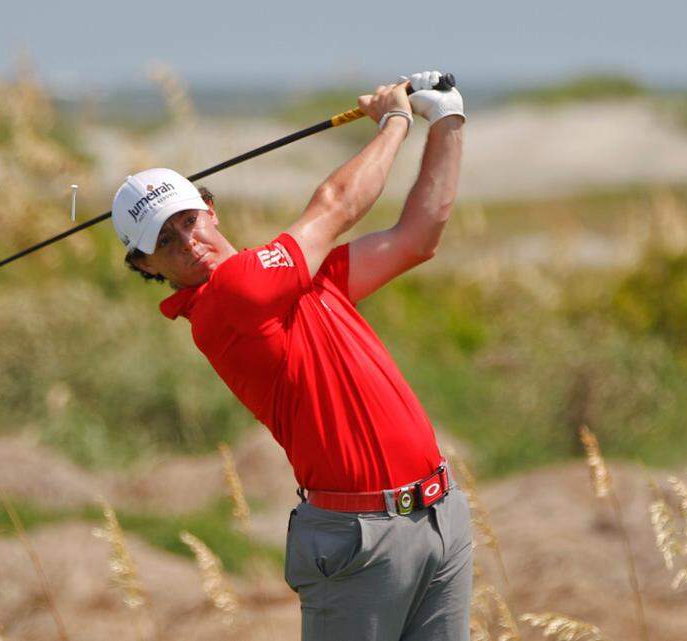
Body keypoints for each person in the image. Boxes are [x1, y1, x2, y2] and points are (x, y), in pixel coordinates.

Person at [111, 70, 471, 641]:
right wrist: (397, 120)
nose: (189, 243)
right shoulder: (230, 301)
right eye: (165, 242)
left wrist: (447, 118)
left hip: (439, 515)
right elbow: (335, 205)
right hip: (358, 539)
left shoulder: (300, 281)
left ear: (210, 208)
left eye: (188, 220)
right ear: (146, 268)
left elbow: (417, 237)